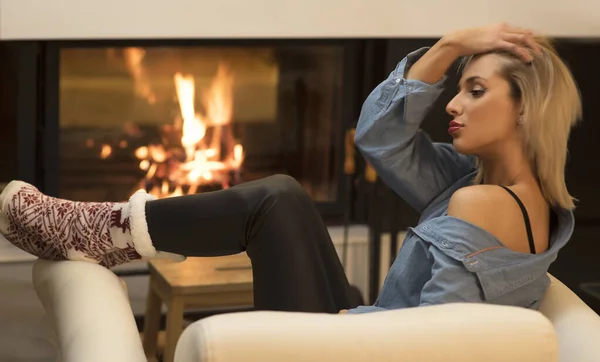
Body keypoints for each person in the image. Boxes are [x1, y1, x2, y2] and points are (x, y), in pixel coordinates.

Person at [0, 23, 581, 315]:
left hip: (364, 350)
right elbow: (381, 139)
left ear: (526, 109)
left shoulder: (480, 203)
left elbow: (427, 343)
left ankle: (104, 232)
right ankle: (110, 231)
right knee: (289, 198)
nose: (452, 104)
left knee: (275, 198)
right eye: (458, 88)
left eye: (475, 91)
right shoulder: (499, 191)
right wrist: (450, 47)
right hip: (369, 329)